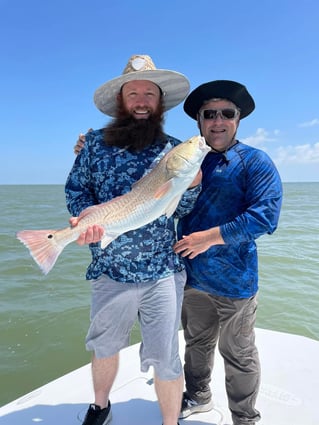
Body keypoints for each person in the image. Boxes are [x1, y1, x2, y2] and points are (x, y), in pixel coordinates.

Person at [65, 55, 202, 425]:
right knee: (104, 346)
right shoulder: (92, 145)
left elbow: (179, 209)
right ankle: (100, 406)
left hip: (161, 271)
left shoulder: (176, 150)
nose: (141, 100)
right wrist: (84, 220)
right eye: (133, 93)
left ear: (159, 103)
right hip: (110, 268)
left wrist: (192, 185)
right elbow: (77, 190)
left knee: (166, 355)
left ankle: (170, 422)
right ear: (121, 101)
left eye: (149, 94)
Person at [173, 80, 283, 425]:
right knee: (196, 344)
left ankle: (244, 417)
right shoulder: (184, 159)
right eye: (210, 114)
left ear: (238, 119)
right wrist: (93, 146)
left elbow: (266, 217)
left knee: (239, 353)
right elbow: (144, 176)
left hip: (236, 281)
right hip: (192, 277)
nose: (218, 121)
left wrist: (211, 237)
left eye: (226, 114)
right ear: (199, 122)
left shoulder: (255, 161)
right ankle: (198, 396)